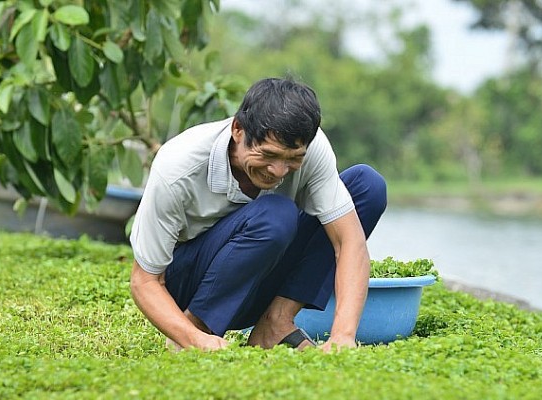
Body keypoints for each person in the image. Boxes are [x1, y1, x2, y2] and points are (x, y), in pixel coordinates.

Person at [129, 77, 387, 351]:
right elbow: (144, 281)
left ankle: (274, 323)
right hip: (191, 282)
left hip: (261, 276)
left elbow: (348, 242)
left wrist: (342, 337)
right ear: (238, 130)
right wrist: (193, 339)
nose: (278, 171)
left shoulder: (312, 148)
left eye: (293, 159)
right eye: (267, 155)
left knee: (366, 185)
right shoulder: (177, 167)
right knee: (275, 214)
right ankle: (198, 326)